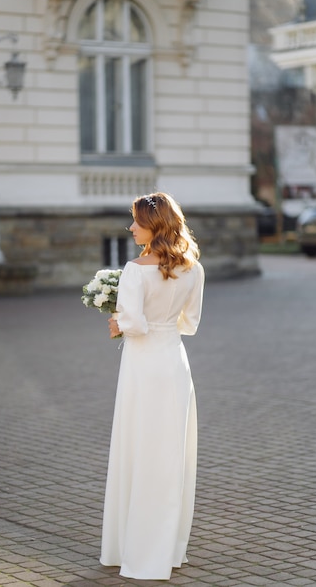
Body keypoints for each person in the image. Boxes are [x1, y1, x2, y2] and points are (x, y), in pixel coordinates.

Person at [100, 192, 205, 580]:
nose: (130, 227)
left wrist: (117, 323)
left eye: (136, 221)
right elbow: (189, 323)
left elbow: (135, 326)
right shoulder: (194, 269)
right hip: (174, 365)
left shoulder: (135, 269)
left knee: (137, 450)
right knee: (168, 456)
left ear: (153, 226)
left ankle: (134, 550)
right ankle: (166, 550)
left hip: (143, 368)